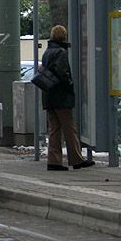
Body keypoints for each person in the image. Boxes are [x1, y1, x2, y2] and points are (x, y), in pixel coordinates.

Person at [41, 24, 93, 171]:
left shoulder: (47, 51)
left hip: (49, 95)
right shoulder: (60, 52)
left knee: (54, 129)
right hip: (61, 97)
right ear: (63, 36)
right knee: (69, 128)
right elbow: (63, 74)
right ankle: (77, 159)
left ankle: (54, 161)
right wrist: (70, 86)